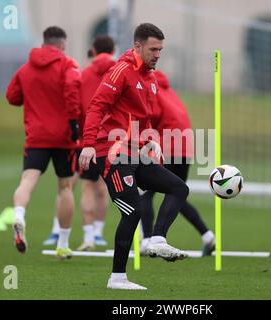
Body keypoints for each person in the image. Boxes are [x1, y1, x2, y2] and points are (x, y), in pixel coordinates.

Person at [79, 23, 190, 290]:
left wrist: (151, 140)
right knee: (133, 211)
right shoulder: (121, 71)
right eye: (153, 49)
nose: (157, 54)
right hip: (112, 153)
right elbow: (97, 106)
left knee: (178, 188)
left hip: (134, 153)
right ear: (137, 46)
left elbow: (145, 119)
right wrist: (89, 144)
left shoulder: (150, 78)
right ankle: (117, 277)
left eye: (160, 49)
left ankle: (157, 240)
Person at [6, 26, 81, 259]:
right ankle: (63, 243)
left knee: (27, 181)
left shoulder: (25, 68)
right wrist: (73, 123)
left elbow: (12, 97)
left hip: (36, 136)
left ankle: (19, 215)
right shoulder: (67, 65)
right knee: (65, 187)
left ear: (44, 42)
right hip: (63, 138)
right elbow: (72, 91)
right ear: (61, 44)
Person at [43, 35, 116, 250]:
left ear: (93, 51)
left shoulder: (83, 74)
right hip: (117, 139)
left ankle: (86, 236)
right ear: (112, 51)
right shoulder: (121, 71)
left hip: (88, 139)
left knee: (81, 186)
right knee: (110, 188)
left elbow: (75, 104)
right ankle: (134, 235)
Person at [139, 70, 215, 256]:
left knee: (146, 194)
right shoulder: (170, 93)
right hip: (186, 148)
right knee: (177, 194)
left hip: (168, 147)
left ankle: (148, 240)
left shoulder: (153, 91)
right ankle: (207, 235)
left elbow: (151, 118)